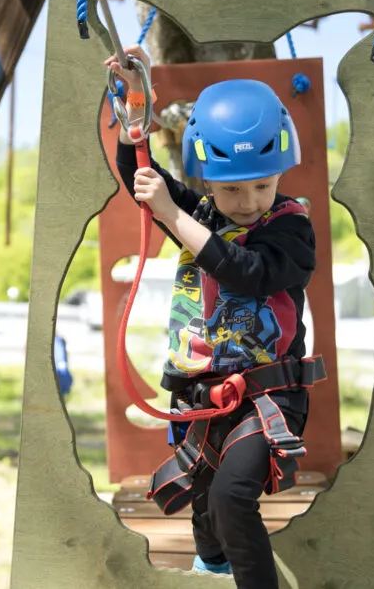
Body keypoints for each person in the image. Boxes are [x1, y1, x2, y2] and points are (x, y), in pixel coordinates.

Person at [106, 46, 320, 589]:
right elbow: (140, 172)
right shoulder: (199, 212)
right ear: (207, 181)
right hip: (200, 398)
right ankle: (214, 571)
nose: (247, 201)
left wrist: (172, 214)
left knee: (231, 498)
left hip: (265, 396)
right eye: (230, 188)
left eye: (261, 185)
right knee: (207, 523)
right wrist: (136, 115)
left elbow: (245, 271)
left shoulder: (291, 231)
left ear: (279, 173)